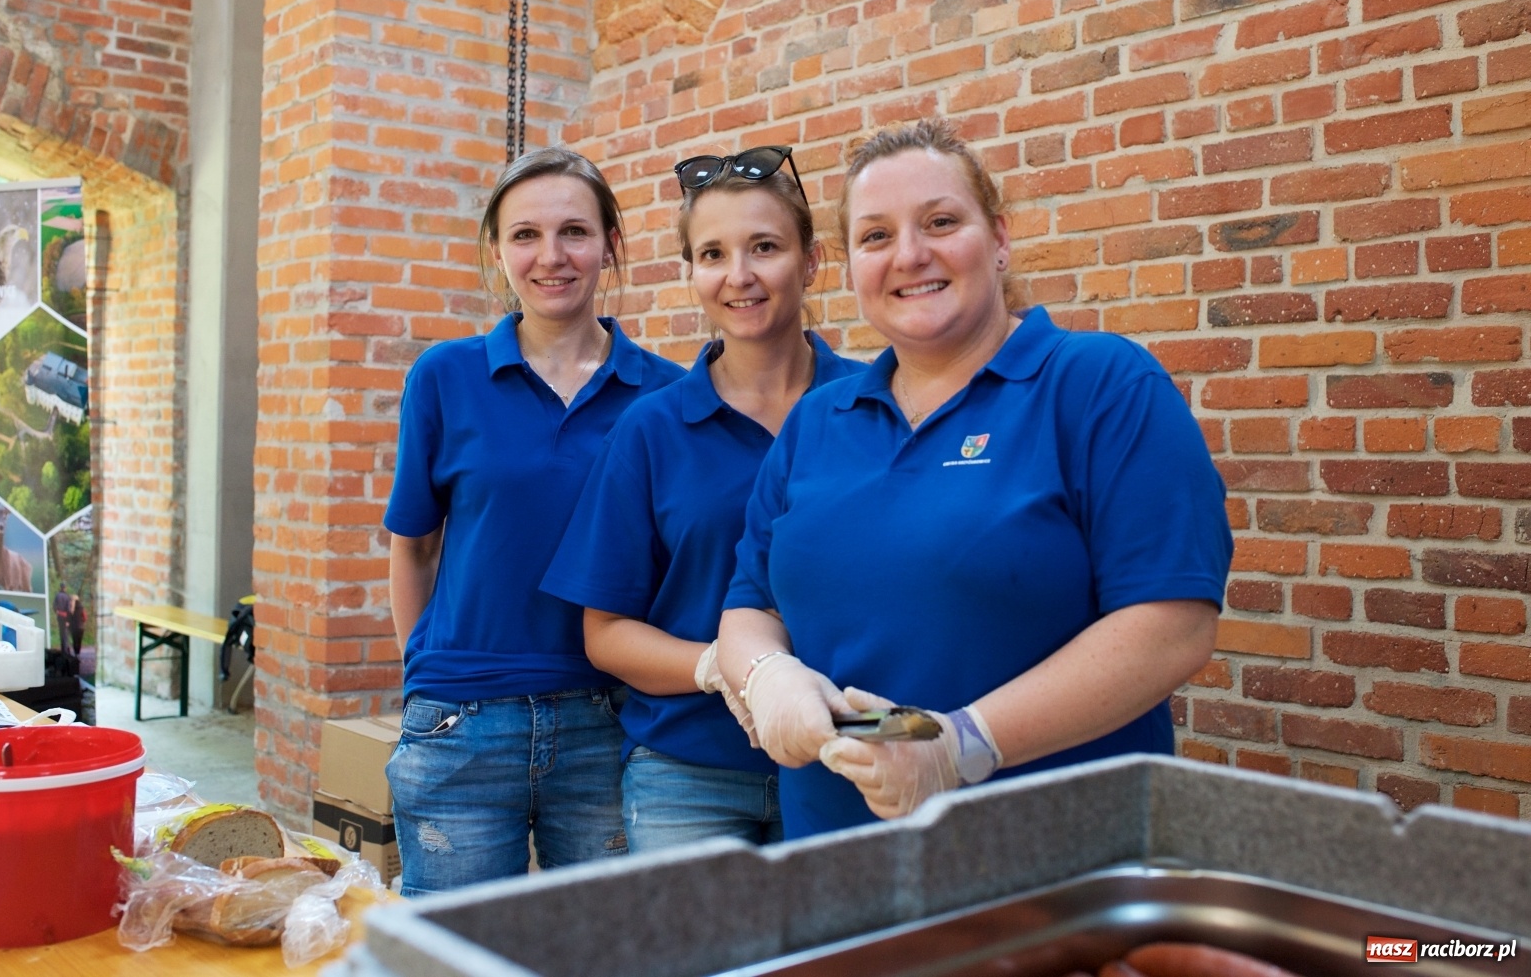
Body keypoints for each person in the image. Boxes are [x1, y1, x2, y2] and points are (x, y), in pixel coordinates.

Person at [719, 118, 1233, 839]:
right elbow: (749, 604)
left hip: (1054, 857)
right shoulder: (820, 420)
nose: (910, 254)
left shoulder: (1099, 386)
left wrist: (962, 745)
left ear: (998, 238)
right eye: (875, 236)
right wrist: (765, 674)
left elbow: (1173, 626)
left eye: (940, 221)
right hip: (837, 860)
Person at [543, 147, 867, 851]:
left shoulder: (875, 405)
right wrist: (713, 666)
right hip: (687, 774)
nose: (740, 275)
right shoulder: (651, 431)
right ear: (689, 272)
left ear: (811, 261)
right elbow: (604, 633)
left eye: (765, 247)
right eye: (713, 253)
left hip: (850, 759)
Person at [383, 147, 684, 894]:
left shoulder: (666, 395)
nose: (551, 256)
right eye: (525, 235)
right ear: (498, 251)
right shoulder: (444, 377)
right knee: (458, 955)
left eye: (574, 232)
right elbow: (413, 545)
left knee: (603, 949)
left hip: (609, 720)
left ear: (611, 244)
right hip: (462, 722)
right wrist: (423, 672)